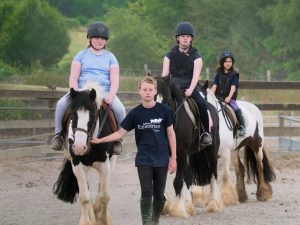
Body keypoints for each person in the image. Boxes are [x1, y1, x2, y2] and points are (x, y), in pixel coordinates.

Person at [91, 76, 177, 225]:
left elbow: (171, 133)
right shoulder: (135, 113)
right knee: (146, 192)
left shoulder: (165, 111)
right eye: (145, 90)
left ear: (155, 91)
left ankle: (155, 220)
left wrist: (173, 157)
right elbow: (119, 133)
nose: (148, 92)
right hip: (144, 158)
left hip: (162, 158)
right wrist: (100, 140)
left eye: (151, 90)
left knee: (158, 195)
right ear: (140, 92)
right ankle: (146, 222)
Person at [50, 22, 126, 154]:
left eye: (103, 38)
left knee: (120, 109)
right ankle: (59, 136)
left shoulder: (111, 57)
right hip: (81, 91)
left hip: (104, 91)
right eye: (97, 38)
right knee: (61, 104)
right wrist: (75, 92)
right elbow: (73, 77)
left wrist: (111, 95)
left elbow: (114, 80)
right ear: (90, 39)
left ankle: (117, 140)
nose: (100, 41)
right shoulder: (81, 55)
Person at [161, 21, 212, 147]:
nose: (185, 38)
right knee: (161, 105)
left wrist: (191, 89)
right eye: (183, 36)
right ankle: (157, 132)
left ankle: (205, 133)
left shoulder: (196, 55)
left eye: (188, 36)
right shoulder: (169, 55)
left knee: (201, 103)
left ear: (191, 39)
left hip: (190, 85)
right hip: (173, 87)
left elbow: (196, 76)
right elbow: (165, 75)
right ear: (178, 38)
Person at [211, 50, 246, 137]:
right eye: (226, 61)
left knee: (236, 109)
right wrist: (211, 95)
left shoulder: (234, 75)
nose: (228, 63)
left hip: (229, 99)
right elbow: (214, 86)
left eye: (230, 61)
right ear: (222, 62)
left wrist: (229, 97)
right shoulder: (218, 74)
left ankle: (242, 126)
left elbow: (233, 87)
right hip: (218, 97)